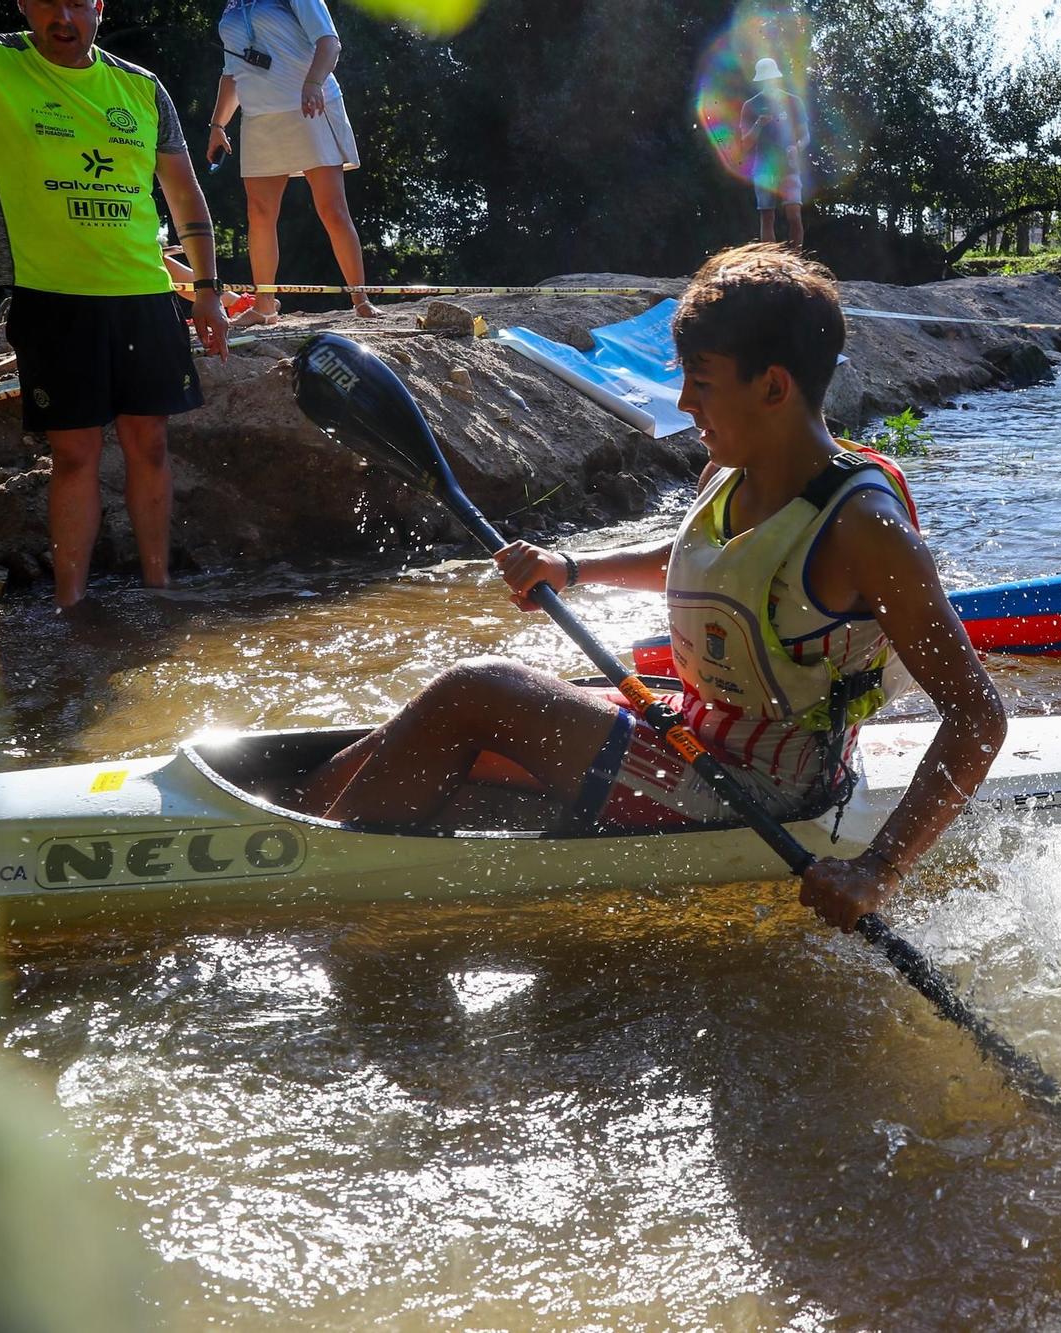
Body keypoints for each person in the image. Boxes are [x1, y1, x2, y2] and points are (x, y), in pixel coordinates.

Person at [298, 245, 1008, 932]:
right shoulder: (729, 474)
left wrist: (877, 870)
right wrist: (569, 568)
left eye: (701, 382)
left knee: (476, 690)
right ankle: (300, 817)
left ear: (772, 387)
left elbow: (979, 717)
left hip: (761, 788)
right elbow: (707, 560)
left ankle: (318, 886)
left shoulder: (865, 527)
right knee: (440, 726)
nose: (681, 401)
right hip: (695, 727)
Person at [0, 1, 230, 609]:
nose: (63, 15)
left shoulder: (140, 87)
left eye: (77, 1)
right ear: (25, 3)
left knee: (149, 442)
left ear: (99, 7)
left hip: (145, 297)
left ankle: (159, 588)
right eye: (48, 0)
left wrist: (207, 292)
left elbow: (184, 196)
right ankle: (69, 606)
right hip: (53, 299)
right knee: (74, 455)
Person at [206, 0, 379, 322]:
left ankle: (361, 299)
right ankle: (264, 306)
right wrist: (218, 126)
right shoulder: (230, 6)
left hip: (309, 105)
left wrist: (313, 83)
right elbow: (232, 73)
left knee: (332, 209)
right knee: (258, 213)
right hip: (259, 117)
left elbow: (329, 42)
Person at [738, 56, 808, 247]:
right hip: (763, 167)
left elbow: (805, 135)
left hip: (789, 165)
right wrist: (758, 125)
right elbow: (745, 143)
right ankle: (772, 261)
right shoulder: (750, 105)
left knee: (794, 214)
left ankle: (796, 260)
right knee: (767, 215)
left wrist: (797, 147)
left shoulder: (793, 102)